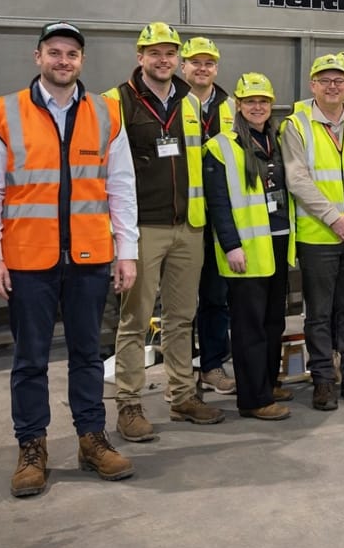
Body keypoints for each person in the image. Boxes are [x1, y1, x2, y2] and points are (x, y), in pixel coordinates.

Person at [0, 21, 138, 497]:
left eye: (72, 54)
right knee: (30, 360)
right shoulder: (5, 113)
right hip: (26, 259)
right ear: (37, 57)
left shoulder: (107, 114)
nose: (63, 61)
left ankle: (92, 439)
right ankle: (32, 447)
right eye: (55, 52)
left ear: (81, 61)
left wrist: (126, 251)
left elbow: (120, 187)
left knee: (88, 355)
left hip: (89, 257)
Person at [107, 22, 225, 441]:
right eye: (154, 52)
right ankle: (129, 404)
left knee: (181, 318)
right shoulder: (115, 101)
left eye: (170, 53)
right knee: (134, 320)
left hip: (188, 226)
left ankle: (182, 396)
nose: (163, 60)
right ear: (139, 56)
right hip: (141, 228)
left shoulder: (191, 102)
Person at [282, 53, 344, 410]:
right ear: (313, 85)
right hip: (318, 236)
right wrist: (333, 218)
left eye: (339, 80)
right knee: (320, 313)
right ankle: (323, 379)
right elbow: (296, 178)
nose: (333, 86)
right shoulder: (296, 125)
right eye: (325, 80)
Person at [204, 73, 294, 420]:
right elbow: (219, 203)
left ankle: (268, 383)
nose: (257, 107)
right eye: (250, 101)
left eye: (263, 101)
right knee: (248, 327)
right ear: (238, 106)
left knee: (273, 322)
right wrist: (231, 246)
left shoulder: (278, 140)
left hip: (277, 243)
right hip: (245, 250)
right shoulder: (220, 146)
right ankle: (253, 400)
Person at [180, 36, 237, 397]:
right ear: (183, 66)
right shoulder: (169, 104)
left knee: (216, 298)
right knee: (181, 302)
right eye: (195, 62)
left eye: (209, 63)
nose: (202, 69)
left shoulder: (231, 106)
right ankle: (182, 369)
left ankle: (213, 366)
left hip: (220, 219)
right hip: (182, 218)